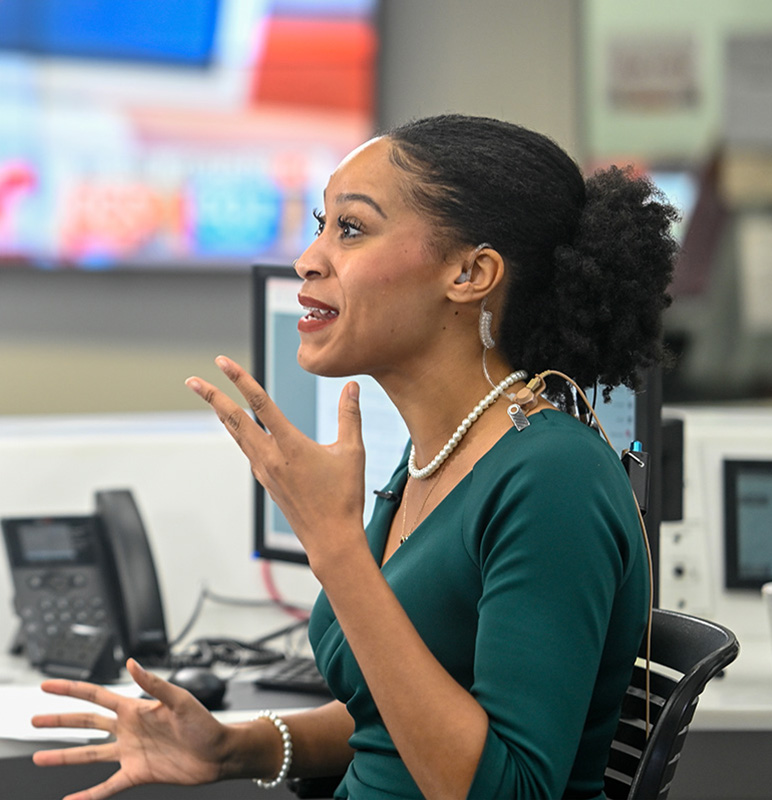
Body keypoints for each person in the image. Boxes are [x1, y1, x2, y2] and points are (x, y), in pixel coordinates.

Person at [31, 114, 677, 800]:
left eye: (352, 228)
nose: (310, 259)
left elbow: (507, 788)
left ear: (470, 273)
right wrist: (232, 748)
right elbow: (396, 718)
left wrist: (334, 545)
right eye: (321, 224)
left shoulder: (554, 479)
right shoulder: (433, 459)